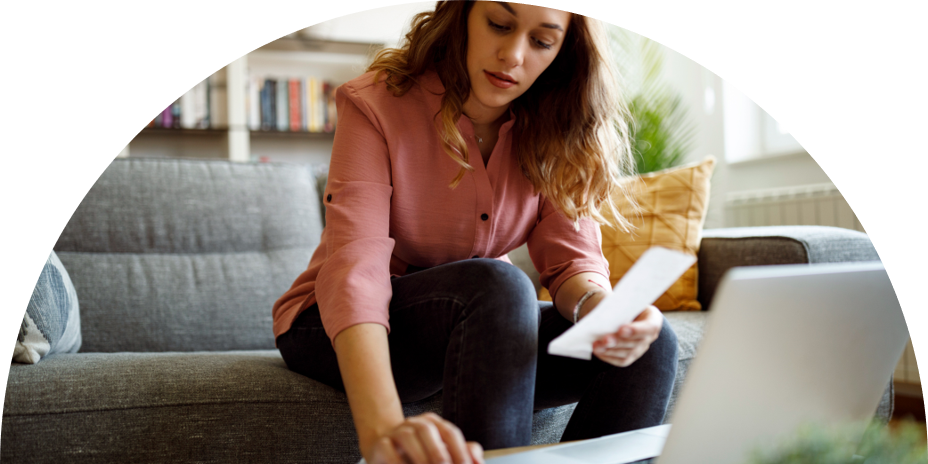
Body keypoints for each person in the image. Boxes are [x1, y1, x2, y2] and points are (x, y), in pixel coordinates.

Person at [272, 1, 679, 463]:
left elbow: (572, 262)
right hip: (332, 326)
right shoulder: (377, 103)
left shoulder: (555, 127)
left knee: (653, 343)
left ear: (562, 52)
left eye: (541, 41)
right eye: (499, 25)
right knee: (497, 283)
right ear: (462, 15)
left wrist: (603, 312)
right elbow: (356, 271)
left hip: (481, 330)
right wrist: (383, 429)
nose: (513, 55)